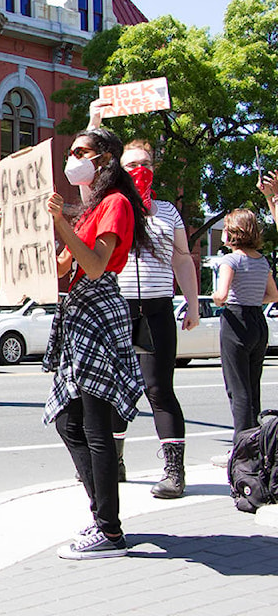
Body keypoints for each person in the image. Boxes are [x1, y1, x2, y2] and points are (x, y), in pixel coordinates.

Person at [0, 127, 149, 560]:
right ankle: (102, 516)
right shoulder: (91, 208)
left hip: (98, 312)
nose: (72, 159)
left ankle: (109, 531)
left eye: (81, 152)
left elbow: (95, 265)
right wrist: (15, 228)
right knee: (69, 421)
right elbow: (61, 268)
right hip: (80, 315)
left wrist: (60, 220)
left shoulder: (115, 205)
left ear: (104, 159)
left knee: (95, 426)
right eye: (71, 151)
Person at [87, 101, 201, 499]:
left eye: (146, 163)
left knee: (159, 389)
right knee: (117, 387)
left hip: (155, 309)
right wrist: (95, 123)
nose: (140, 169)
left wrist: (193, 303)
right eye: (131, 162)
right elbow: (84, 170)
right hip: (118, 308)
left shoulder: (167, 212)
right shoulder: (110, 204)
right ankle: (114, 461)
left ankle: (174, 471)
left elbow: (182, 259)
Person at [210, 209, 278, 465]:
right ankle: (258, 446)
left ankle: (241, 451)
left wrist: (218, 296)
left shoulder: (231, 261)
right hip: (258, 323)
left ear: (233, 232)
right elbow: (274, 295)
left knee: (237, 390)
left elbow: (221, 295)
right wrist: (252, 298)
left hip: (236, 322)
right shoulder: (262, 261)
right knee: (252, 386)